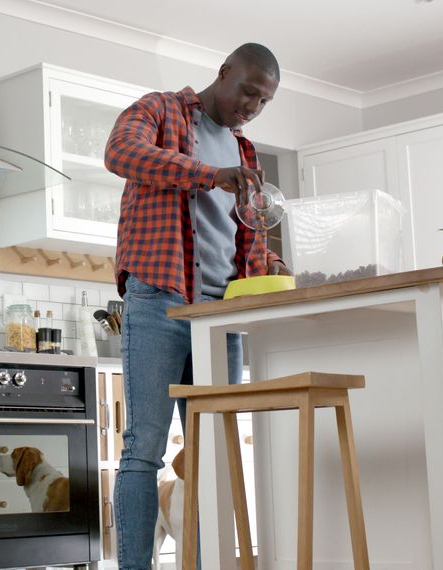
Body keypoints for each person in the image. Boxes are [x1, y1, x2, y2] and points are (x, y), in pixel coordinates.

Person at [104, 43, 289, 569]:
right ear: (224, 72)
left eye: (264, 101)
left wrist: (267, 262)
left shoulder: (244, 151)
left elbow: (238, 231)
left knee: (213, 458)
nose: (252, 106)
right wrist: (208, 173)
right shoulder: (159, 110)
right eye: (248, 92)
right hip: (160, 299)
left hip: (220, 316)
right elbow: (120, 155)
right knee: (144, 451)